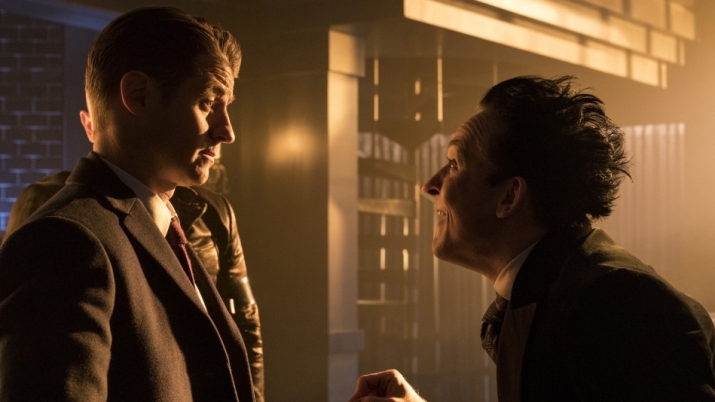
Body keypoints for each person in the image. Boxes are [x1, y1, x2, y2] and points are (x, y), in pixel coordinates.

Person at [349, 76, 715, 402]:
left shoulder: (618, 305)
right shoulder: (551, 291)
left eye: (455, 163)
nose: (430, 185)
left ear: (508, 197)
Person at [0, 6, 255, 401]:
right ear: (139, 95)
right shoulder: (64, 243)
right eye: (208, 102)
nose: (227, 132)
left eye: (227, 106)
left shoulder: (165, 226)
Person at [3, 167, 266, 402]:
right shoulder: (62, 228)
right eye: (205, 110)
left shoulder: (204, 211)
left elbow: (244, 317)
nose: (226, 135)